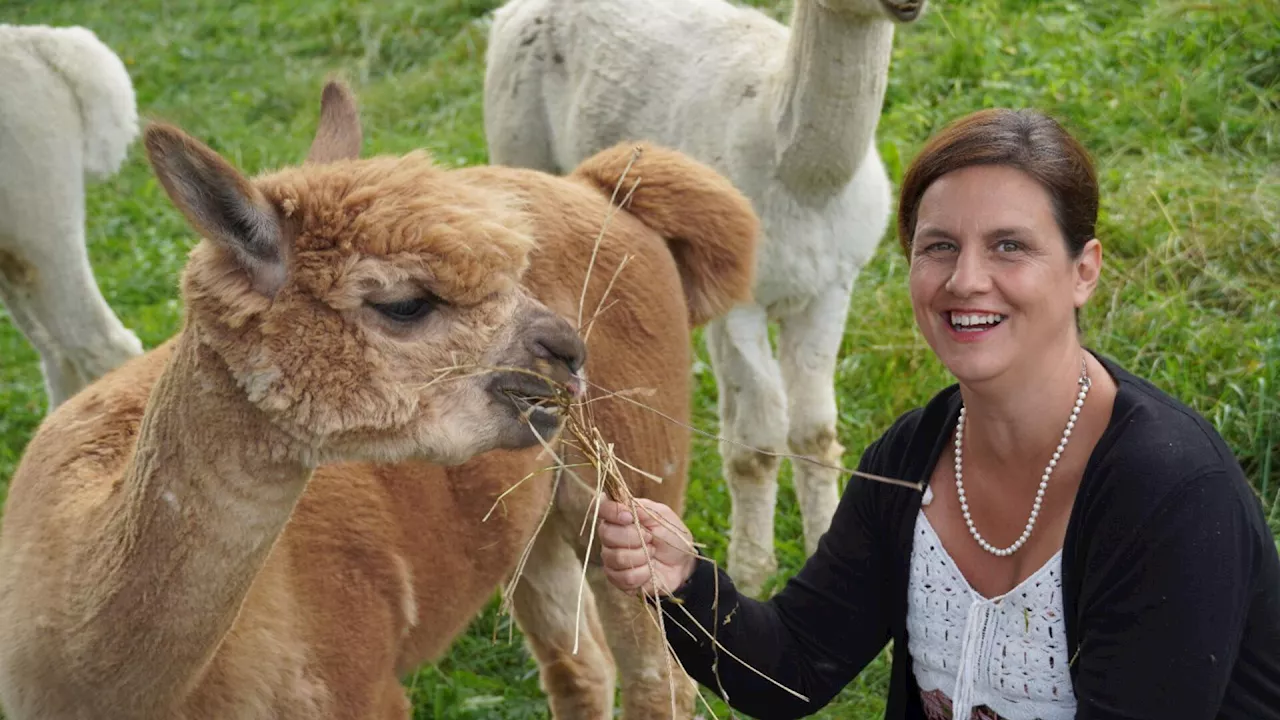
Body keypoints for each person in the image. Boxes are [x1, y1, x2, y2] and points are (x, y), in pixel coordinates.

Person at [596, 108, 1280, 720]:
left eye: (1010, 245)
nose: (965, 280)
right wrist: (683, 581)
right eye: (939, 246)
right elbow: (794, 667)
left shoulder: (1172, 495)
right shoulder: (911, 459)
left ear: (1084, 271)